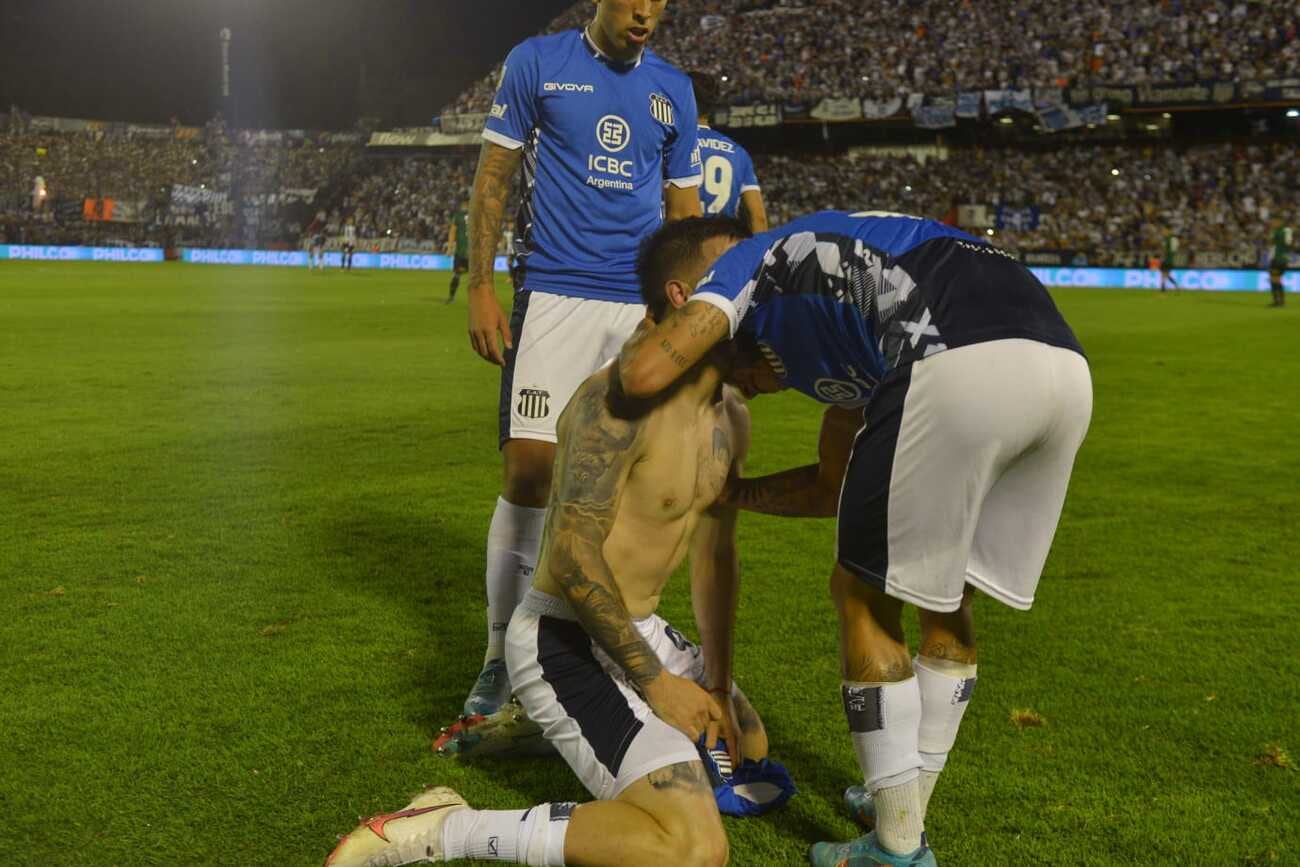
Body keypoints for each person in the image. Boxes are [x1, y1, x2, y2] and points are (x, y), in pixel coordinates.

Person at [619, 213, 1093, 867]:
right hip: (1063, 371)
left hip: (954, 358)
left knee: (859, 595)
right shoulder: (846, 316)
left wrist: (668, 341)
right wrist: (735, 493)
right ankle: (904, 805)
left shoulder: (747, 262)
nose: (739, 389)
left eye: (729, 376)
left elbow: (642, 372)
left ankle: (896, 849)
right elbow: (830, 486)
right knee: (944, 597)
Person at [327, 255, 773, 867]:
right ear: (685, 297)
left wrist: (714, 678)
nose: (749, 294)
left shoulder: (731, 418)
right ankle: (442, 829)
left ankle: (562, 734)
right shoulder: (613, 402)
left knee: (748, 746)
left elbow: (716, 556)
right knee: (693, 849)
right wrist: (659, 685)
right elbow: (568, 557)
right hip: (564, 638)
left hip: (640, 628)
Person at [451, 0, 704, 733]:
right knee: (530, 473)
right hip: (554, 293)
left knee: (621, 489)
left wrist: (687, 315)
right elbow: (492, 175)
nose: (646, 13)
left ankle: (593, 650)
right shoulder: (537, 62)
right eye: (634, 0)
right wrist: (480, 285)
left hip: (637, 312)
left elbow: (683, 212)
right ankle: (501, 655)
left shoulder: (672, 90)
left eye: (659, 2)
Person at [688, 72, 767, 234]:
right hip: (724, 248)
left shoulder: (669, 145)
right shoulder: (738, 152)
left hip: (680, 248)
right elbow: (758, 217)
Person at [446, 198, 470, 303]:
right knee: (475, 277)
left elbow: (452, 231)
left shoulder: (458, 216)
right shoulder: (477, 215)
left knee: (456, 274)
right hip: (473, 252)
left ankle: (451, 297)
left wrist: (450, 247)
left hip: (461, 251)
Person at [1268, 219, 1291, 308]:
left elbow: (1271, 242)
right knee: (1275, 279)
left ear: (1280, 222)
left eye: (1275, 222)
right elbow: (1287, 243)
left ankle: (1278, 301)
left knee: (1275, 279)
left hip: (1278, 259)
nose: (1273, 223)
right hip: (1279, 259)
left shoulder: (1280, 232)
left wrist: (1272, 234)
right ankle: (1279, 301)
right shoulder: (1286, 231)